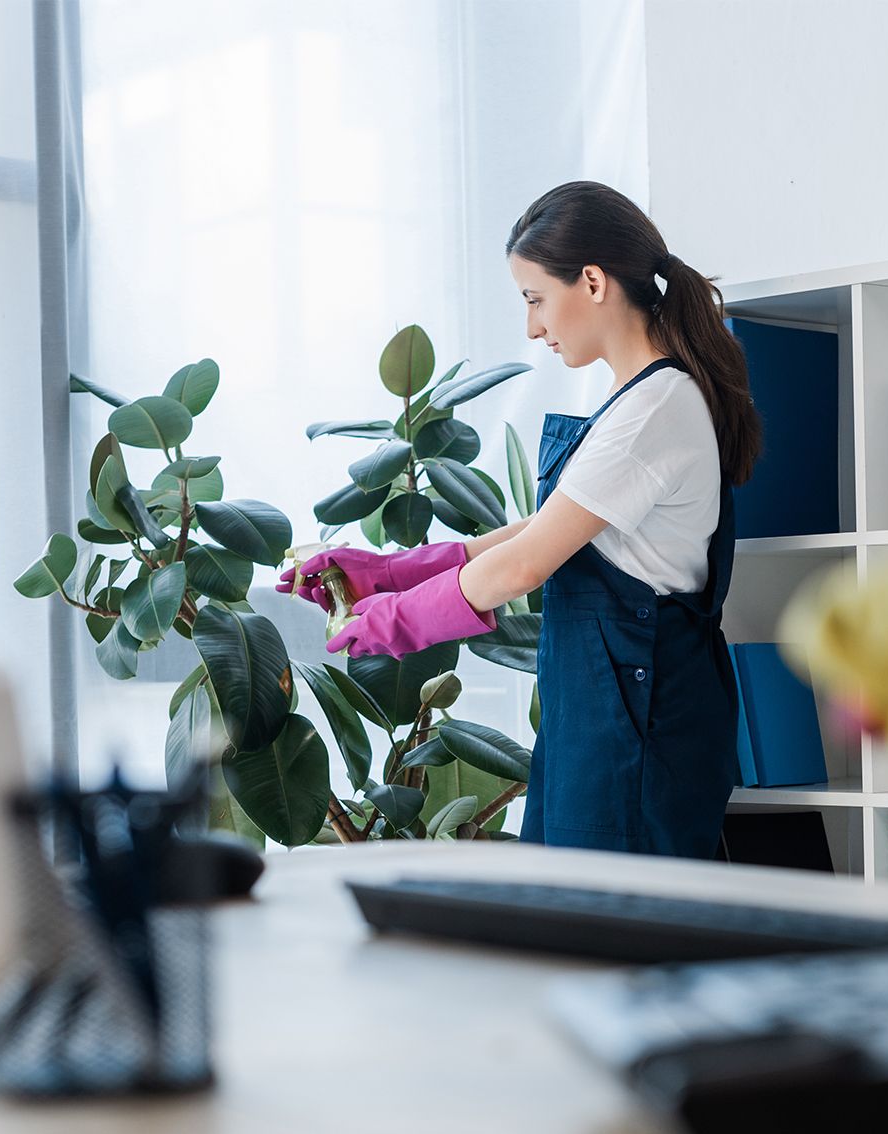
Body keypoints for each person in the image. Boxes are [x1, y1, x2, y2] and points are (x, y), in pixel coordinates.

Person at [280, 181, 762, 858]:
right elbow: (535, 535)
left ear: (592, 281)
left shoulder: (657, 406)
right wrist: (384, 574)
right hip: (607, 723)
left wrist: (397, 622)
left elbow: (528, 564)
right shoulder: (641, 401)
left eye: (535, 298)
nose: (534, 327)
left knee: (611, 941)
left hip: (634, 735)